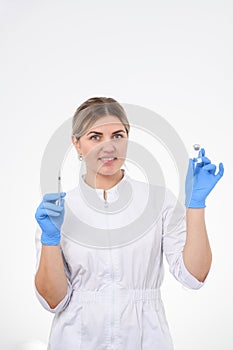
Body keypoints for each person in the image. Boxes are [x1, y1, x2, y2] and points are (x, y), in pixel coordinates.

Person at [34, 97, 224, 350]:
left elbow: (194, 276)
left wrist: (195, 205)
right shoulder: (58, 210)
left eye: (117, 135)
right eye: (95, 137)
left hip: (147, 340)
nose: (109, 147)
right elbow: (54, 301)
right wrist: (51, 239)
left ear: (127, 138)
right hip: (76, 341)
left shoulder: (157, 200)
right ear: (76, 144)